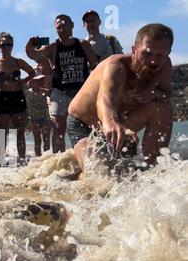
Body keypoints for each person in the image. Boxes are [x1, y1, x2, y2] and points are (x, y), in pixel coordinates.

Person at [67, 23, 174, 179]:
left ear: (168, 53)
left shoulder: (163, 67)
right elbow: (104, 99)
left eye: (160, 56)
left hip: (121, 122)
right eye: (147, 54)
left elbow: (166, 94)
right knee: (99, 175)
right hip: (84, 124)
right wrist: (110, 121)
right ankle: (76, 176)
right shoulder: (116, 66)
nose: (153, 61)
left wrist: (154, 93)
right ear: (134, 50)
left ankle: (152, 170)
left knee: (162, 106)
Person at [26, 15, 98, 154]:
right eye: (58, 27)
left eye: (65, 25)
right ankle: (59, 158)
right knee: (59, 127)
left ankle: (87, 154)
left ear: (72, 25)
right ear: (55, 29)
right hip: (60, 91)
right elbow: (34, 56)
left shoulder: (83, 44)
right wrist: (30, 44)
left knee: (87, 125)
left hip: (81, 90)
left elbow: (95, 65)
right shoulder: (52, 47)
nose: (62, 29)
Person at [0, 32, 36, 164]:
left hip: (17, 96)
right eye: (3, 44)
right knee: (1, 132)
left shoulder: (18, 61)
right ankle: (1, 160)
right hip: (1, 97)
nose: (6, 47)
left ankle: (22, 160)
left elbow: (32, 72)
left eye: (9, 44)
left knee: (20, 130)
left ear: (12, 46)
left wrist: (23, 81)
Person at [25, 73, 52, 157]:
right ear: (31, 83)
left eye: (40, 81)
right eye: (36, 81)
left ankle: (46, 156)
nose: (39, 82)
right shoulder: (27, 93)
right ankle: (38, 156)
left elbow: (52, 93)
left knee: (46, 139)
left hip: (45, 118)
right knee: (37, 139)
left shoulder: (45, 91)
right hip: (33, 118)